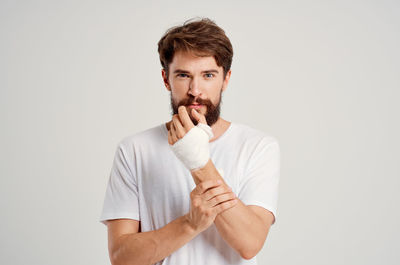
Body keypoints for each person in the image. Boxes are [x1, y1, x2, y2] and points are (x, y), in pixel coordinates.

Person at [99, 17, 280, 265]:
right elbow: (121, 258)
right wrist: (190, 224)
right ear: (166, 79)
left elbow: (249, 244)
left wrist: (197, 161)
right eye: (183, 75)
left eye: (208, 75)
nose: (195, 90)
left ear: (225, 79)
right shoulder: (134, 149)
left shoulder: (258, 147)